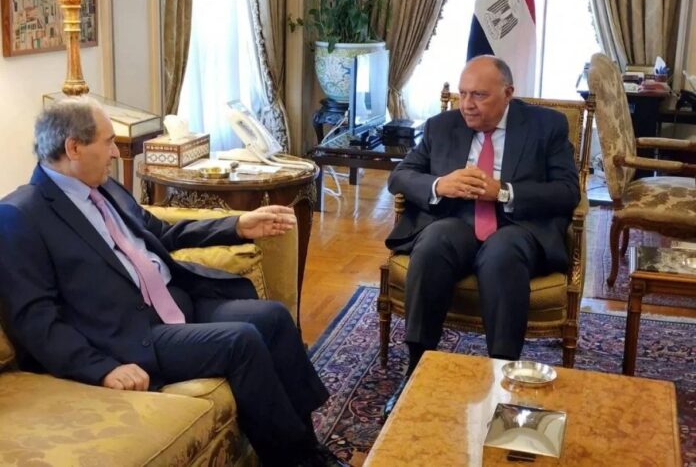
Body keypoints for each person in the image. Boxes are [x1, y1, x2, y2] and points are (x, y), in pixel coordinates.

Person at [0, 96, 346, 467]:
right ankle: (296, 462)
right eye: (108, 142)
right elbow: (34, 319)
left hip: (175, 301)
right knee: (241, 340)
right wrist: (100, 368)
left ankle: (309, 447)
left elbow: (160, 232)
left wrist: (236, 226)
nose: (115, 152)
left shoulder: (104, 188)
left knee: (273, 317)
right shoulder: (20, 215)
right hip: (132, 334)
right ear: (73, 147)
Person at [383, 55, 579, 414]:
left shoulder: (546, 126)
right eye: (463, 93)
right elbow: (400, 176)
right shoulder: (441, 126)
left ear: (508, 93)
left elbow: (568, 191)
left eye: (479, 95)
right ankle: (416, 368)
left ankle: (504, 375)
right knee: (433, 243)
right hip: (457, 219)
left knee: (502, 254)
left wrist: (503, 192)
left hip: (517, 226)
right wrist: (441, 184)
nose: (467, 105)